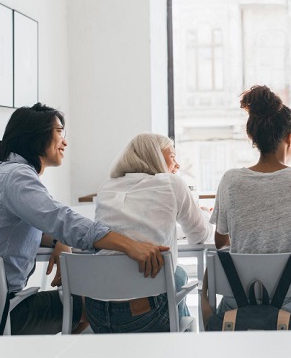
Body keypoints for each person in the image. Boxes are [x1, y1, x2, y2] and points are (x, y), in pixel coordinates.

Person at [0, 103, 169, 335]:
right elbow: (62, 219)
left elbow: (22, 228)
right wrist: (131, 245)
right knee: (86, 302)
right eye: (59, 131)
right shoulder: (17, 177)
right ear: (36, 136)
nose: (65, 141)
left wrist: (58, 241)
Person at [209, 85, 291, 327]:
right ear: (290, 137)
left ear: (253, 138)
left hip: (237, 309)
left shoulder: (230, 180)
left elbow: (221, 242)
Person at [86, 133, 212, 333]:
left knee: (175, 276)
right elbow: (199, 235)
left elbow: (135, 228)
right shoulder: (171, 183)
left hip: (96, 313)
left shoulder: (107, 186)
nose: (177, 164)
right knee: (177, 275)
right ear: (156, 156)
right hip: (143, 315)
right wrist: (203, 214)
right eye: (172, 156)